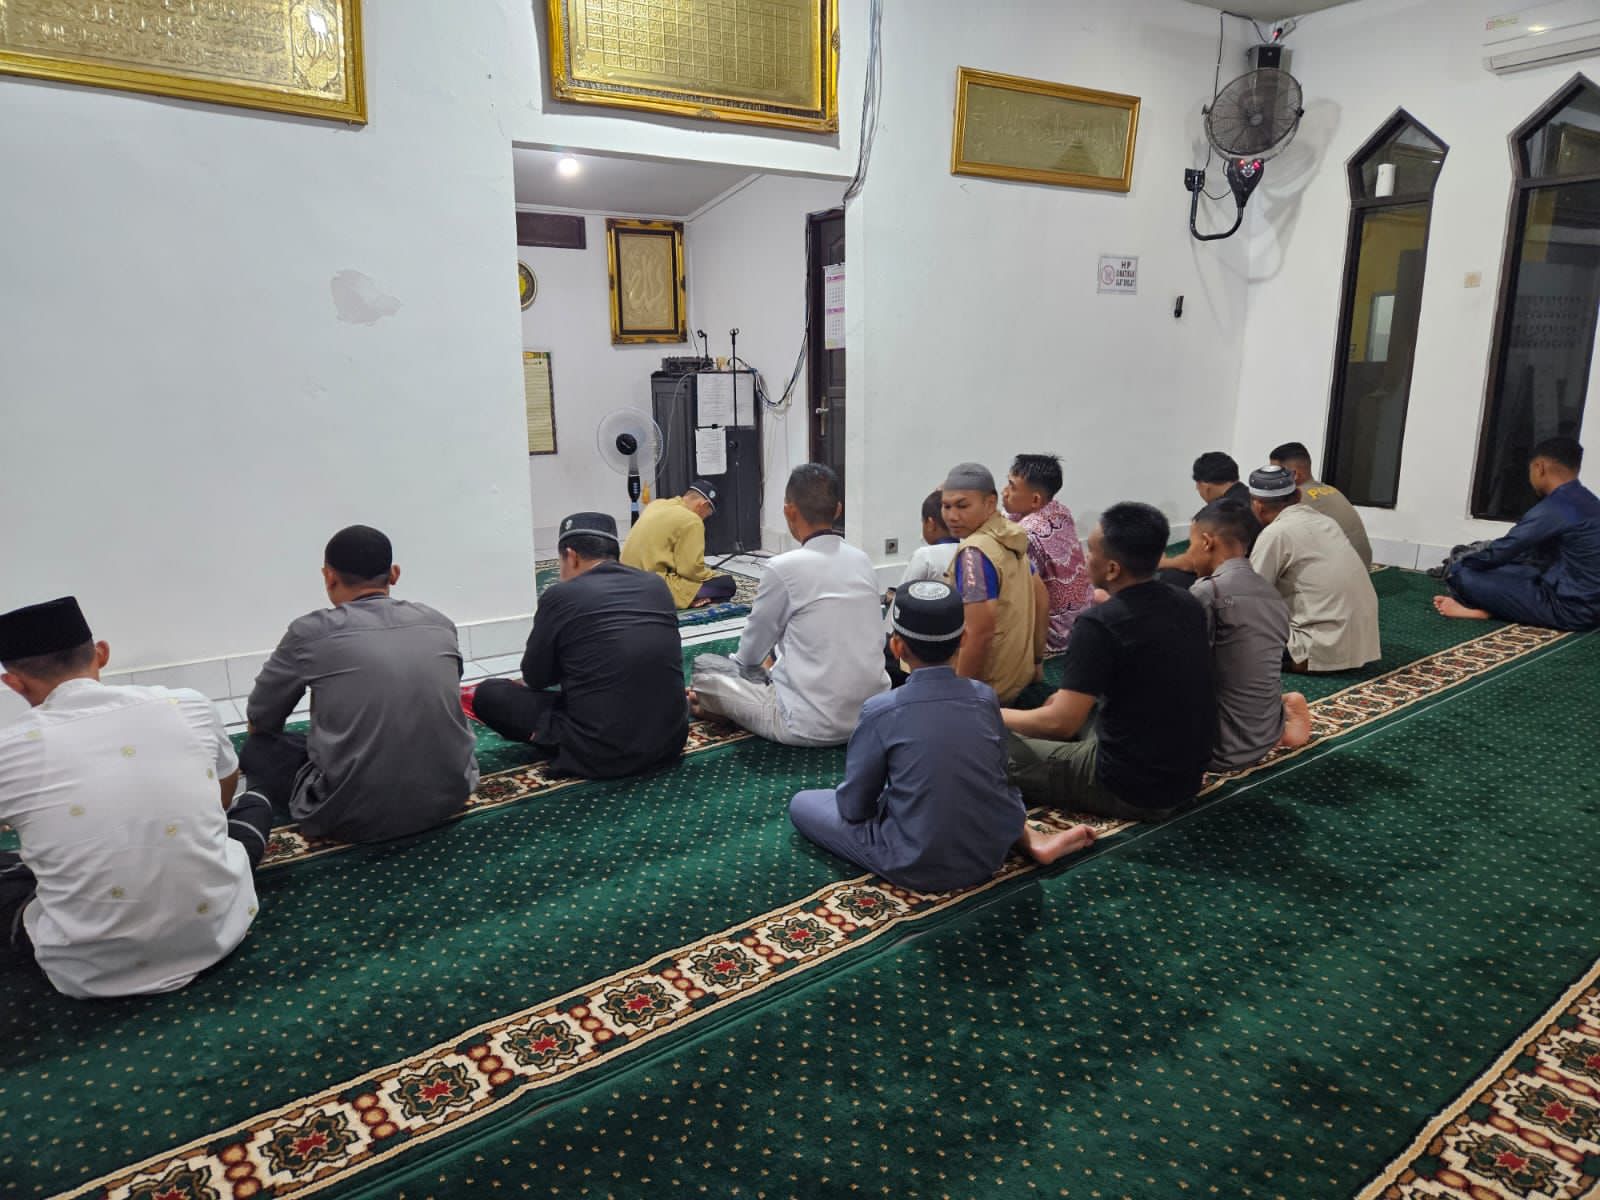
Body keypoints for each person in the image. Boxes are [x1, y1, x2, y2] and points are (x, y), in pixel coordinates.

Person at [0, 597, 273, 999]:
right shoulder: (188, 705)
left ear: (14, 682)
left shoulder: (8, 750)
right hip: (219, 929)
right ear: (102, 653)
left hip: (89, 968)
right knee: (255, 804)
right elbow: (224, 790)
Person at [789, 581, 1096, 893]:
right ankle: (1028, 837)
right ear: (963, 638)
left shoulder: (881, 710)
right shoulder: (984, 697)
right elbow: (997, 778)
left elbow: (854, 807)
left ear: (897, 647)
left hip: (917, 864)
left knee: (803, 803)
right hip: (990, 853)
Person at [239, 525, 478, 843]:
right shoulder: (439, 622)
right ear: (394, 574)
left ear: (329, 577)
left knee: (258, 749)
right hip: (451, 795)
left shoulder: (309, 633)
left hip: (350, 816)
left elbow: (261, 718)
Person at [1002, 503, 1216, 821]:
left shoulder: (1099, 624)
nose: (1085, 559)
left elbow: (1060, 724)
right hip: (1185, 778)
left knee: (983, 743)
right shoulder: (1188, 602)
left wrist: (991, 711)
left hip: (1128, 788)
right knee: (1072, 704)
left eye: (1090, 552)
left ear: (1112, 569)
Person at [473, 512, 688, 776]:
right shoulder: (655, 584)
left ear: (571, 556)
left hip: (604, 752)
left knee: (490, 694)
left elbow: (536, 677)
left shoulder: (560, 595)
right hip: (670, 741)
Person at [689, 464, 888, 747]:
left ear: (789, 511)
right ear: (838, 510)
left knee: (706, 670)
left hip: (807, 724)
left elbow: (749, 656)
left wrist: (749, 672)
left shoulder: (783, 568)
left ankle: (723, 708)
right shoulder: (862, 560)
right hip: (872, 716)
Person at [1187, 500, 1311, 771]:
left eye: (1191, 543)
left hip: (1218, 750)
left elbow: (1182, 671)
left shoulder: (1208, 592)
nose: (1189, 553)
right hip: (1264, 736)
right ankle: (1282, 721)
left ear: (1207, 542)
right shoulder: (1271, 594)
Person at [1435, 437, 1600, 630]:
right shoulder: (1589, 501)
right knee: (1512, 568)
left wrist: (1460, 565)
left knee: (1463, 575)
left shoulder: (1555, 507)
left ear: (1539, 468)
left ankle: (1486, 611)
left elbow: (1501, 551)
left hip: (1572, 611)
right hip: (1585, 599)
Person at [1247, 466, 1381, 673]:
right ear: (1298, 495)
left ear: (1257, 506)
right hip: (1362, 644)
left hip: (1317, 648)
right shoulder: (1326, 521)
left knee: (1232, 633)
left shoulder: (1276, 533)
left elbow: (1249, 595)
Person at [942, 462, 1049, 703]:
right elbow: (1041, 598)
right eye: (946, 506)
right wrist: (1036, 661)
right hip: (1019, 677)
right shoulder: (1009, 536)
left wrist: (961, 697)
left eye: (962, 506)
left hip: (990, 689)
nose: (952, 516)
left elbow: (979, 633)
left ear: (990, 503)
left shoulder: (974, 553)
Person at [1002, 453, 1094, 652]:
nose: (1004, 491)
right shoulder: (1060, 510)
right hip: (1083, 622)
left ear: (1035, 500)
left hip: (1055, 637)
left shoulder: (1027, 535)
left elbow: (1020, 595)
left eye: (1012, 486)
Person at [620, 480, 736, 609]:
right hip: (651, 588)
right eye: (707, 514)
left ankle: (696, 598)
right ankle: (692, 600)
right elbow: (690, 570)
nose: (704, 518)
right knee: (727, 585)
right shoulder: (692, 520)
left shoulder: (657, 504)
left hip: (624, 581)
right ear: (703, 505)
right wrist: (713, 575)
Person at [1158, 451, 1260, 587]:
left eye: (1198, 488)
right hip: (1252, 570)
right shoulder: (1256, 501)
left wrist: (1164, 562)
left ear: (1205, 486)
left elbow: (1193, 561)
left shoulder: (1217, 512)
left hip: (1227, 577)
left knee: (1172, 576)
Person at [1270, 441, 1373, 569]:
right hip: (1362, 569)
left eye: (1274, 473)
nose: (1269, 478)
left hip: (1338, 572)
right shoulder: (1332, 490)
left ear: (1294, 474)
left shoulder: (1296, 499)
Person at [892, 488, 961, 592]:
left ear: (930, 524)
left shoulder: (925, 555)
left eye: (923, 522)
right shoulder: (969, 550)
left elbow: (902, 596)